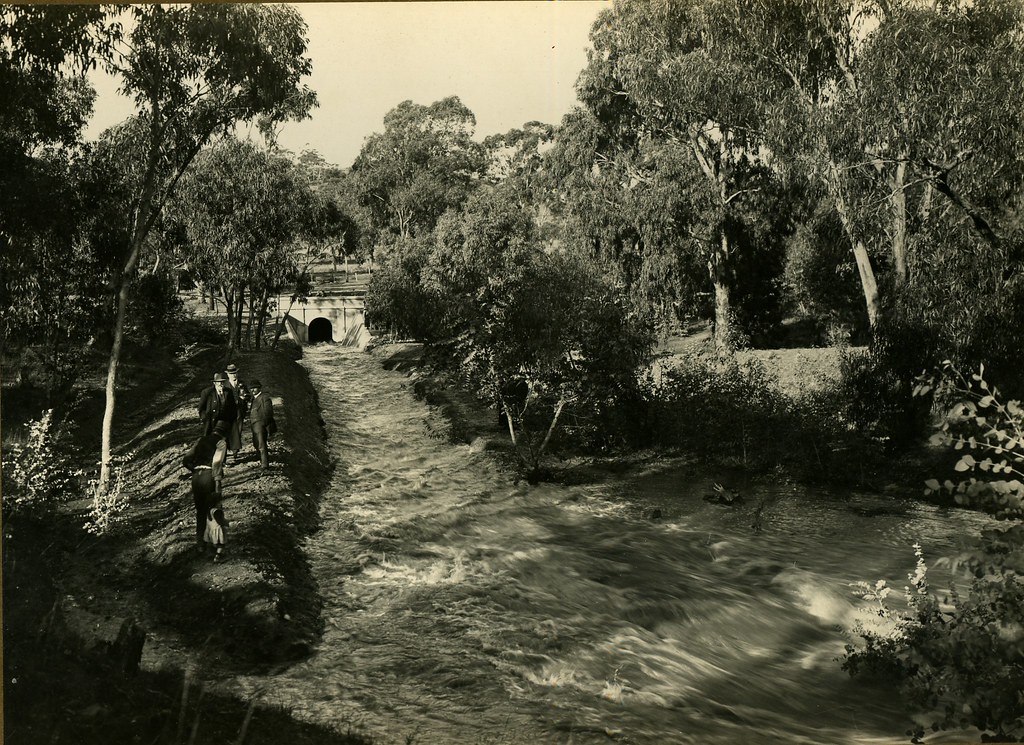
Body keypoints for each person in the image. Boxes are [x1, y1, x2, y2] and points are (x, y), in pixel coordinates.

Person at [183, 431, 227, 553]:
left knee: (200, 511)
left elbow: (185, 459)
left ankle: (200, 543)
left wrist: (194, 469)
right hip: (209, 477)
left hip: (196, 477)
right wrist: (217, 483)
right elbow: (217, 463)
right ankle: (213, 543)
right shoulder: (221, 442)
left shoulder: (200, 440)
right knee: (213, 510)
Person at [198, 371, 237, 438]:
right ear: (214, 383)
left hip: (225, 422)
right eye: (218, 382)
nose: (220, 384)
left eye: (222, 382)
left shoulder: (228, 392)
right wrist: (205, 419)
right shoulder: (207, 392)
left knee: (224, 442)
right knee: (210, 441)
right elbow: (201, 408)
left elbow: (233, 407)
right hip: (211, 422)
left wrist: (231, 419)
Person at [248, 379, 276, 470]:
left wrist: (263, 424)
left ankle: (265, 464)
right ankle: (261, 460)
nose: (252, 390)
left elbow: (268, 412)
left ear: (259, 388)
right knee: (256, 443)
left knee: (261, 444)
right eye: (251, 388)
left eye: (255, 388)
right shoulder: (253, 398)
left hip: (260, 424)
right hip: (254, 424)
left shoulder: (264, 398)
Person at [224, 363, 250, 460]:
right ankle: (225, 454)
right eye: (231, 374)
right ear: (228, 375)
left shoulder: (242, 383)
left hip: (239, 412)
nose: (234, 375)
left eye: (235, 373)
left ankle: (235, 453)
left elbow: (248, 396)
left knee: (238, 431)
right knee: (227, 431)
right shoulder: (225, 384)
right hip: (227, 413)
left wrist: (244, 398)